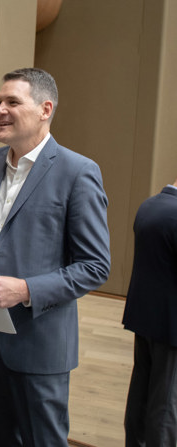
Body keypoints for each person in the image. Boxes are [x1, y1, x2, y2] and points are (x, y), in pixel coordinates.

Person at [0, 68, 110, 446]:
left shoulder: (78, 172)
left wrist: (26, 290)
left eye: (12, 102)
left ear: (45, 109)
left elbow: (95, 266)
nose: (0, 109)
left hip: (39, 343)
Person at [122, 178, 177, 447]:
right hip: (172, 328)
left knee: (141, 396)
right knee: (166, 405)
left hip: (145, 318)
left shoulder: (149, 206)